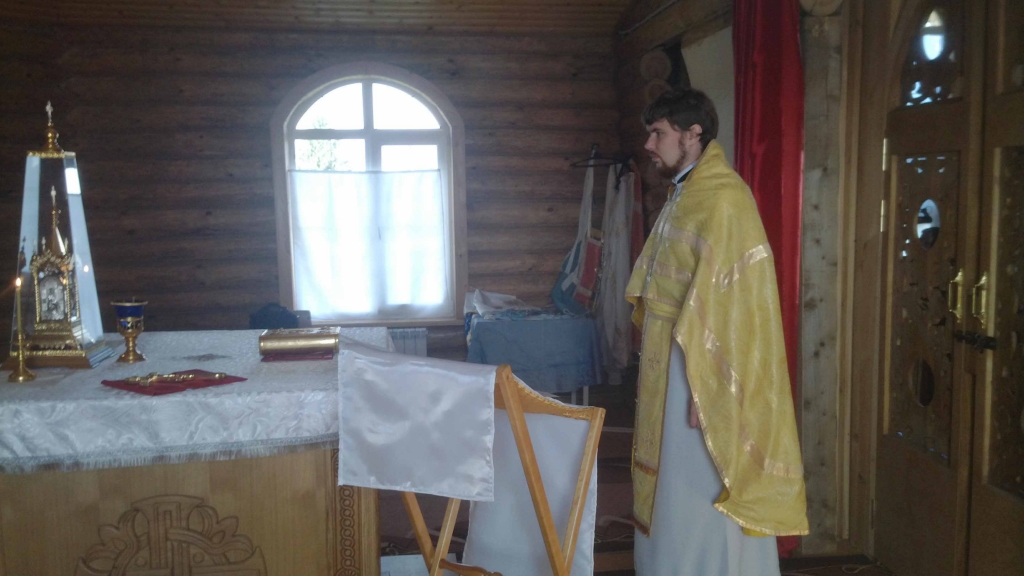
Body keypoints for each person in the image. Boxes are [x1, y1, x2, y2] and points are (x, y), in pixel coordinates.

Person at [625, 88, 809, 575]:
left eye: (658, 133)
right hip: (670, 360)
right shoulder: (685, 192)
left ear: (693, 134)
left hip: (699, 370)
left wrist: (709, 385)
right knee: (671, 481)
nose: (649, 144)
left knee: (698, 483)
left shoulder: (724, 198)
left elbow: (735, 303)